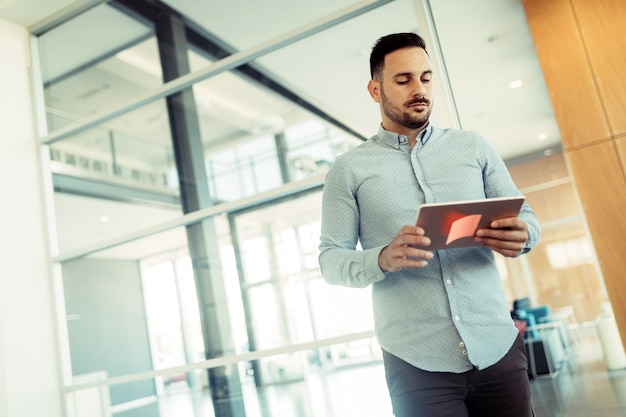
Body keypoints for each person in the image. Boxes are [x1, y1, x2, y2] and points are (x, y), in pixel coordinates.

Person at [318, 32, 540, 417]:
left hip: (497, 347)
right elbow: (330, 260)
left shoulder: (473, 147)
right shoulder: (348, 170)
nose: (419, 89)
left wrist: (522, 235)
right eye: (403, 80)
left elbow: (528, 220)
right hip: (416, 364)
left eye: (425, 77)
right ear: (375, 90)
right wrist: (383, 258)